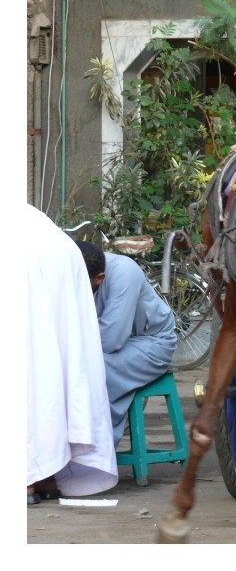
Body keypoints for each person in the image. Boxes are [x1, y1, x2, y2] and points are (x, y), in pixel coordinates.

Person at [26, 204, 118, 504]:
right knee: (52, 361)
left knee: (32, 363)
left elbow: (116, 335)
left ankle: (28, 474)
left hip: (29, 253)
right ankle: (46, 474)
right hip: (53, 248)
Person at [75, 240, 177, 446]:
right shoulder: (75, 269)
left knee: (92, 368)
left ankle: (94, 444)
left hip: (154, 343)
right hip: (117, 344)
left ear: (99, 278)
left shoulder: (124, 272)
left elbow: (112, 339)